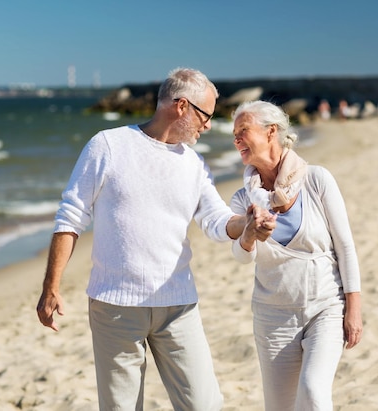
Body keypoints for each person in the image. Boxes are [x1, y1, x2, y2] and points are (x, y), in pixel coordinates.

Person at [36, 68, 274, 411]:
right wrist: (51, 286)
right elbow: (71, 216)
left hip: (178, 305)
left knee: (204, 404)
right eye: (205, 115)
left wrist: (248, 224)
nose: (208, 126)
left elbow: (216, 219)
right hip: (115, 306)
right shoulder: (108, 145)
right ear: (181, 106)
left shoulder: (193, 163)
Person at [230, 100, 363, 410]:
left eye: (243, 131)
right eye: (234, 134)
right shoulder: (243, 200)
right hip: (273, 318)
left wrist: (353, 308)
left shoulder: (316, 180)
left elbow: (345, 247)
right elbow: (241, 257)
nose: (235, 139)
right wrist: (249, 230)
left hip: (326, 309)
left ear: (271, 132)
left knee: (314, 393)